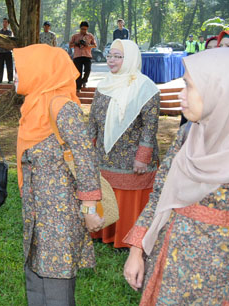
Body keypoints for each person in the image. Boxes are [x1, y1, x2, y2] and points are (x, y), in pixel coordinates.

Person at [122, 47, 229, 306]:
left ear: (219, 91)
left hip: (218, 276)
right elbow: (160, 193)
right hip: (168, 259)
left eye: (189, 87)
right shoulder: (188, 134)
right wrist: (137, 251)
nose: (181, 95)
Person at [13, 44, 103, 306]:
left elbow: (86, 161)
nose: (16, 75)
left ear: (41, 71)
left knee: (57, 285)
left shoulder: (63, 107)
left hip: (60, 217)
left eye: (21, 69)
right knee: (36, 277)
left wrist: (89, 211)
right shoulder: (31, 108)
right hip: (36, 213)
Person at [88, 39, 161, 249]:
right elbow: (93, 120)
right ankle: (102, 232)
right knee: (105, 193)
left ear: (129, 58)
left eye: (118, 56)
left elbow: (150, 126)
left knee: (128, 199)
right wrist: (87, 150)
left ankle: (130, 237)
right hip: (105, 155)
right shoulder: (104, 84)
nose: (111, 60)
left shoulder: (146, 87)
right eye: (110, 55)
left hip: (133, 158)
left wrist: (142, 158)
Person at [69, 21, 97, 91]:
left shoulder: (90, 36)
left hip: (87, 55)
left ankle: (83, 81)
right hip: (77, 56)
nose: (83, 31)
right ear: (80, 28)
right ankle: (78, 87)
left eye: (85, 29)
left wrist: (87, 45)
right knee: (78, 72)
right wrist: (76, 43)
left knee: (88, 70)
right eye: (82, 29)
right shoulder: (75, 36)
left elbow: (94, 45)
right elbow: (70, 45)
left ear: (87, 29)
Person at [0, 18, 14, 83]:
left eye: (6, 22)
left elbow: (9, 41)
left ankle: (10, 79)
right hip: (0, 52)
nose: (4, 23)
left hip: (8, 52)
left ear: (8, 24)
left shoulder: (10, 32)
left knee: (9, 66)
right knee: (0, 66)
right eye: (3, 22)